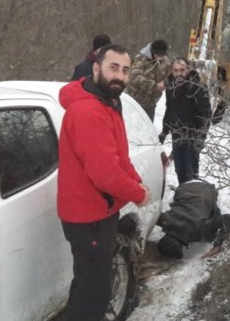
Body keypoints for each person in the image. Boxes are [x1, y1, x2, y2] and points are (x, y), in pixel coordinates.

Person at [58, 44, 152, 321]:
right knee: (93, 293)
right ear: (96, 68)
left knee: (90, 283)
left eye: (125, 71)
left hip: (100, 211)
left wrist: (136, 180)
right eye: (113, 68)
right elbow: (105, 173)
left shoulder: (107, 105)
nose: (120, 76)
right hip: (89, 217)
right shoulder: (89, 112)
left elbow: (118, 156)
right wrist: (137, 193)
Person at [159, 58, 212, 185]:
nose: (179, 73)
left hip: (192, 136)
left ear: (188, 69)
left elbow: (206, 116)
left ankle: (191, 198)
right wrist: (164, 131)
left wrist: (200, 140)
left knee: (191, 172)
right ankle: (183, 196)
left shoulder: (198, 88)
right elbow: (169, 110)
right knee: (179, 169)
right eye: (176, 70)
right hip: (177, 135)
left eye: (182, 70)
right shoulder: (171, 87)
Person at [156, 178, 230, 259]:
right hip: (186, 186)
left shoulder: (200, 230)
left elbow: (228, 218)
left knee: (209, 237)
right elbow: (151, 213)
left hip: (207, 190)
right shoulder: (165, 220)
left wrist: (218, 245)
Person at [126, 39, 170, 121]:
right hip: (134, 101)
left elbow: (170, 76)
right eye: (158, 55)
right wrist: (154, 85)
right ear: (153, 52)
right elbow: (134, 77)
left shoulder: (166, 62)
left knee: (148, 130)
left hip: (151, 104)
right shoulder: (140, 59)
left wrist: (165, 82)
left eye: (162, 55)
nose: (160, 57)